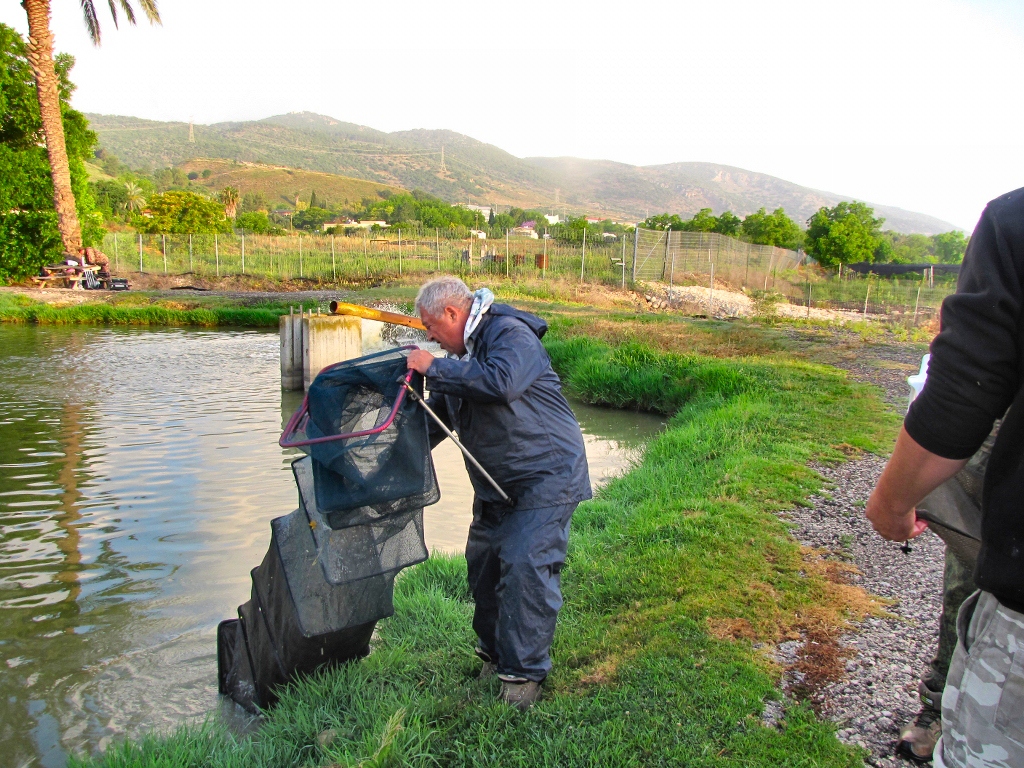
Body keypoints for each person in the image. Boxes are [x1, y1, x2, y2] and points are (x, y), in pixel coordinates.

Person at [865, 187, 1024, 767]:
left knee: (972, 586)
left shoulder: (1013, 221)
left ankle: (940, 712)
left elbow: (962, 388)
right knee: (966, 584)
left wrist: (891, 501)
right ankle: (936, 708)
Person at [405, 276, 591, 710]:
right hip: (496, 483)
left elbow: (500, 381)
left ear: (453, 313)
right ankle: (494, 656)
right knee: (484, 568)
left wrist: (432, 368)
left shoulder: (509, 333)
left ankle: (522, 678)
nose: (429, 336)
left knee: (526, 566)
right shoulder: (460, 356)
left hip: (547, 475)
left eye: (431, 326)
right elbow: (440, 420)